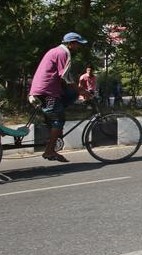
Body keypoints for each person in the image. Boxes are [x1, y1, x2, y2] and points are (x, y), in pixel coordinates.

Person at [28, 32, 93, 162]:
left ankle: (54, 127)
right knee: (58, 120)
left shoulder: (56, 51)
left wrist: (77, 91)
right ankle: (49, 151)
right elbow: (66, 77)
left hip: (47, 90)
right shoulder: (64, 53)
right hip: (47, 92)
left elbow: (63, 78)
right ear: (70, 43)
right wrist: (81, 90)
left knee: (68, 98)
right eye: (77, 44)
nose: (78, 47)